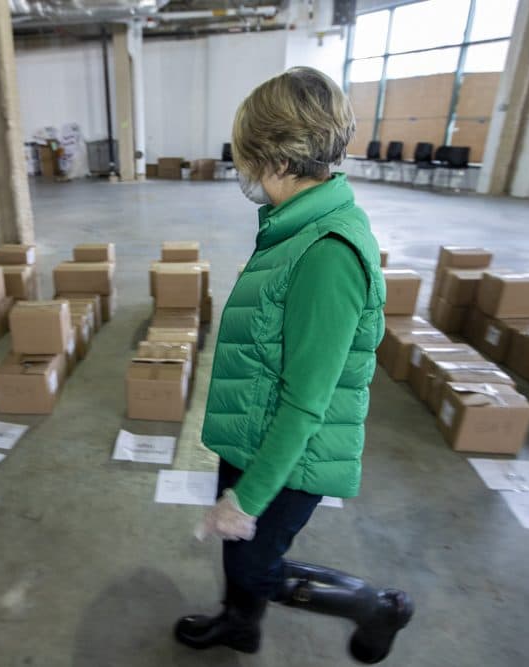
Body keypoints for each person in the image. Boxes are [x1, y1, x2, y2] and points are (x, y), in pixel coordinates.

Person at [174, 67, 414, 664]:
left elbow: (307, 399)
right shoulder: (293, 227)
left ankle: (376, 607)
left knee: (259, 564)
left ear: (278, 160)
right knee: (240, 555)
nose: (241, 169)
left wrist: (248, 497)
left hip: (289, 452)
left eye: (247, 156)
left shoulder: (328, 254)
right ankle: (239, 625)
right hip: (253, 432)